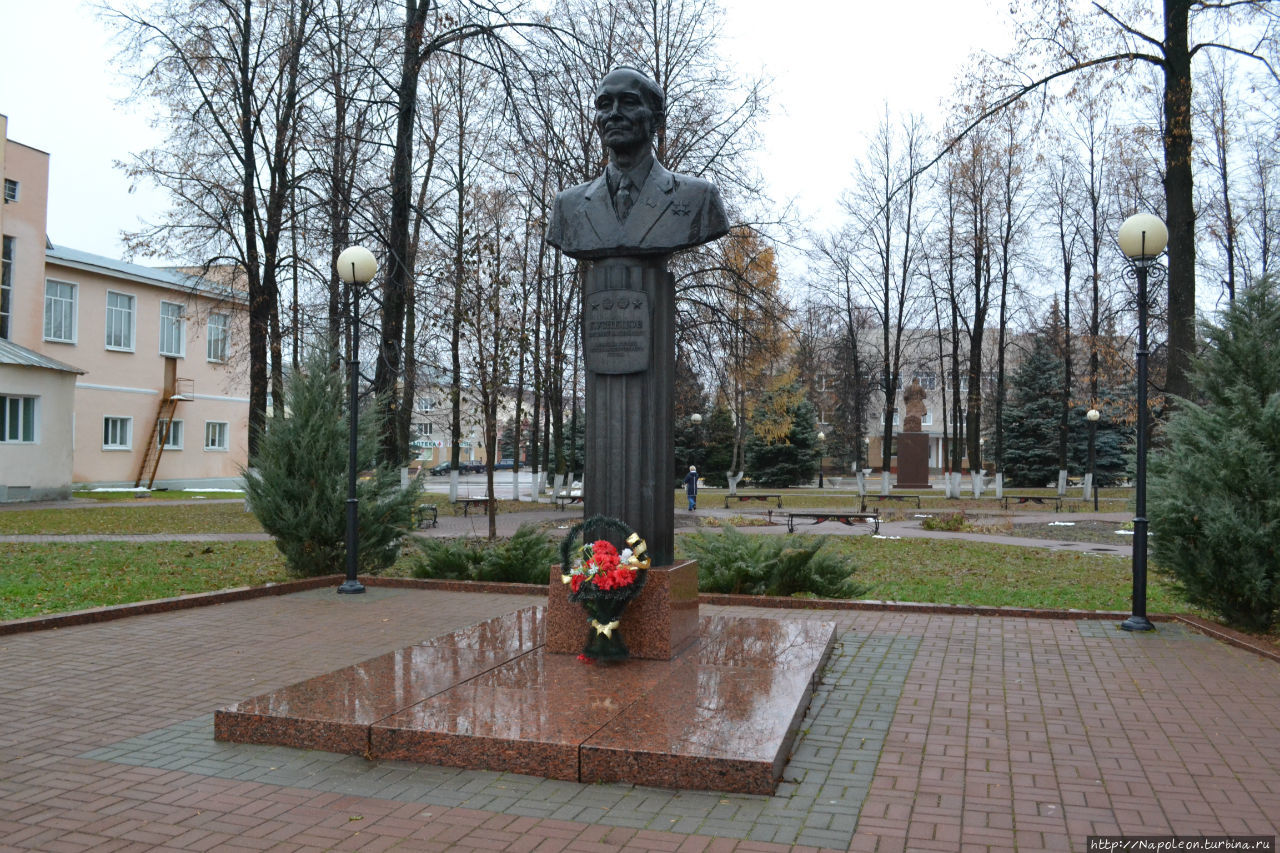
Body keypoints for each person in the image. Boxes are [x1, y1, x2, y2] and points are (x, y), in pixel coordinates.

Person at [546, 66, 730, 260]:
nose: (614, 114)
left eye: (629, 103)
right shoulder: (566, 206)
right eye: (605, 104)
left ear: (656, 120)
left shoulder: (699, 198)